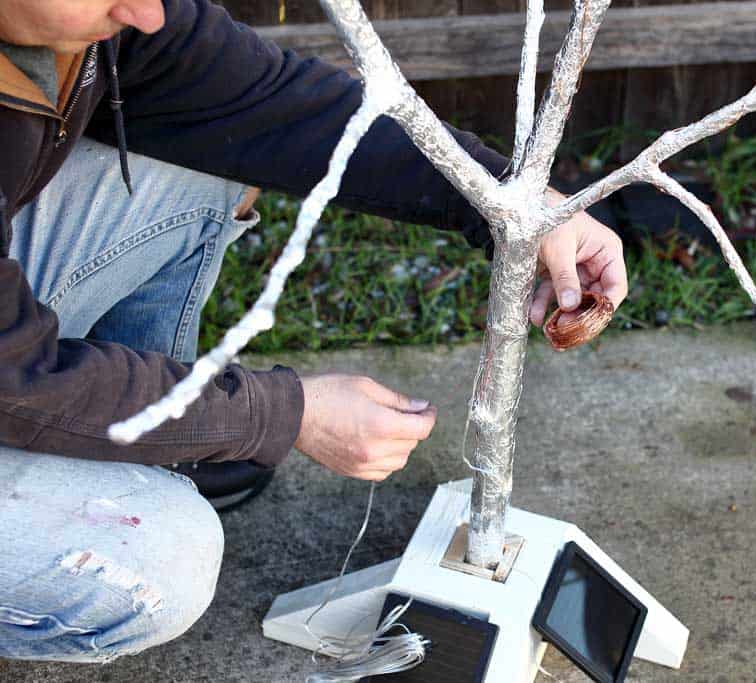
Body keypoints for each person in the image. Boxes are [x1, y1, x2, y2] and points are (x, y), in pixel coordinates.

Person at [0, 0, 627, 664]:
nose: (145, 13)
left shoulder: (104, 22)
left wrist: (510, 203)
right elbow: (16, 378)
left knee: (211, 153)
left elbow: (268, 102)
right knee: (157, 561)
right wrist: (280, 413)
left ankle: (136, 446)